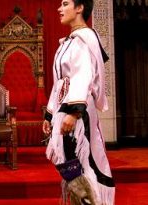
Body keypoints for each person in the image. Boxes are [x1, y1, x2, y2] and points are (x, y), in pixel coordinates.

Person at [42, 0, 115, 204]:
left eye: (65, 3)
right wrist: (50, 114)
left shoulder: (84, 39)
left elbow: (83, 76)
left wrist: (74, 113)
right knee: (69, 160)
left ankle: (91, 201)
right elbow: (60, 84)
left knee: (83, 161)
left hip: (77, 112)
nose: (60, 8)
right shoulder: (70, 41)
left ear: (80, 8)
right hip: (65, 108)